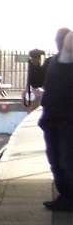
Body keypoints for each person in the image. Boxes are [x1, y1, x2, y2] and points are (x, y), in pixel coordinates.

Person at [38, 27, 73, 211]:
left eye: (63, 39)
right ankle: (65, 196)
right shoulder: (51, 62)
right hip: (51, 120)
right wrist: (34, 65)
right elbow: (37, 83)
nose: (59, 42)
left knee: (67, 160)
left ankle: (69, 196)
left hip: (69, 121)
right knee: (55, 159)